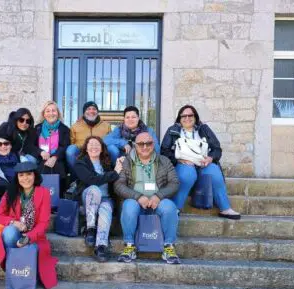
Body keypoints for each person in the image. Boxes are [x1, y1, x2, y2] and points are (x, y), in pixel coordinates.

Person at [0, 162, 58, 289]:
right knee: (8, 232)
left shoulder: (43, 193)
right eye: (21, 175)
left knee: (27, 248)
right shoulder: (11, 192)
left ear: (35, 175)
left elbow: (43, 223)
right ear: (17, 177)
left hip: (34, 238)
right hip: (15, 237)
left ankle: (19, 269)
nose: (25, 178)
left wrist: (28, 237)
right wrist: (13, 222)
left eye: (29, 174)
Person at [160, 104, 241, 220]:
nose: (187, 118)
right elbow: (164, 151)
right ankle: (175, 208)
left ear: (195, 117)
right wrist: (178, 159)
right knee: (187, 174)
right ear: (179, 118)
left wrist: (211, 158)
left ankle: (225, 208)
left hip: (203, 163)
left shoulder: (204, 129)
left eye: (190, 115)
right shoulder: (173, 130)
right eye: (183, 116)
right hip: (184, 164)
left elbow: (217, 149)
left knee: (214, 172)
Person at [114, 132, 181, 264]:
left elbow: (174, 183)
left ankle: (169, 247)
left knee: (169, 207)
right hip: (136, 202)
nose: (145, 146)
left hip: (158, 202)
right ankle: (129, 246)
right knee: (128, 205)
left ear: (154, 144)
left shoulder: (164, 161)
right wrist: (137, 197)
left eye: (148, 143)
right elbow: (118, 185)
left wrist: (158, 196)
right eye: (141, 144)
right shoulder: (126, 161)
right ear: (135, 145)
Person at [75, 136, 123, 262]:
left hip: (105, 198)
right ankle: (90, 229)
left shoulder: (107, 164)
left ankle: (101, 246)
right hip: (88, 198)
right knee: (94, 189)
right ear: (86, 149)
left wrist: (120, 163)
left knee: (105, 208)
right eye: (90, 144)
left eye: (97, 145)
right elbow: (92, 180)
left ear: (102, 149)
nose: (94, 147)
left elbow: (116, 176)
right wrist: (113, 174)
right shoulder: (80, 163)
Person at [34, 100, 70, 193]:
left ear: (58, 113)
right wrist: (40, 152)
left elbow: (65, 146)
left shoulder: (64, 129)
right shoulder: (37, 128)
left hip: (58, 160)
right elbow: (31, 145)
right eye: (48, 111)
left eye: (54, 111)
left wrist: (55, 157)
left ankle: (57, 198)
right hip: (41, 158)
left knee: (58, 167)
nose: (51, 113)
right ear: (44, 114)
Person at [66, 101, 111, 172]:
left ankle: (113, 175)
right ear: (84, 112)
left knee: (113, 149)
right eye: (88, 109)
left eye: (94, 109)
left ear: (97, 112)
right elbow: (72, 143)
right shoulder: (75, 126)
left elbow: (110, 141)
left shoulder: (106, 126)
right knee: (70, 150)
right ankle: (75, 174)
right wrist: (85, 148)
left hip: (100, 152)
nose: (91, 111)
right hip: (82, 153)